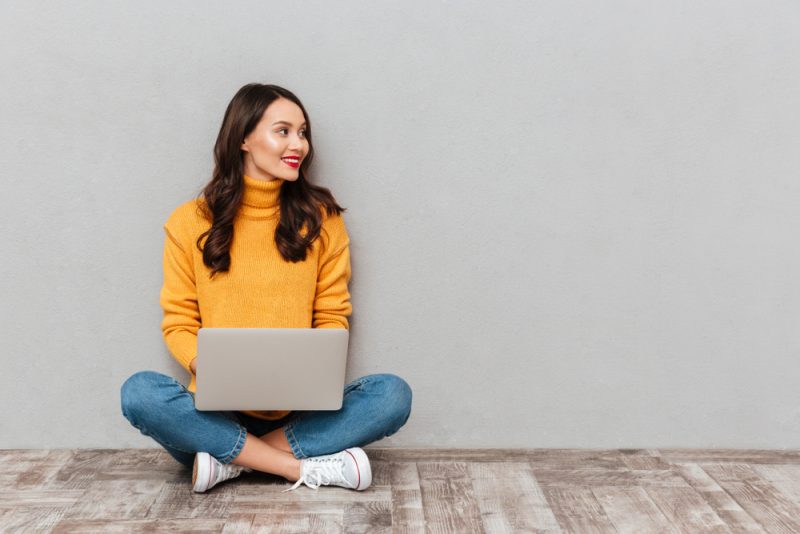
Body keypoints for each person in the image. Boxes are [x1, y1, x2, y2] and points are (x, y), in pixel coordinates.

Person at [120, 83, 412, 493]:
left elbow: (331, 316)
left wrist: (313, 372)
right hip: (213, 415)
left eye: (303, 132)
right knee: (140, 394)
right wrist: (215, 369)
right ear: (243, 137)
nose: (300, 144)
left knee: (391, 396)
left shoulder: (322, 220)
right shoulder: (189, 222)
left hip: (296, 414)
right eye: (284, 131)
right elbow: (180, 322)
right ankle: (295, 467)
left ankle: (233, 461)